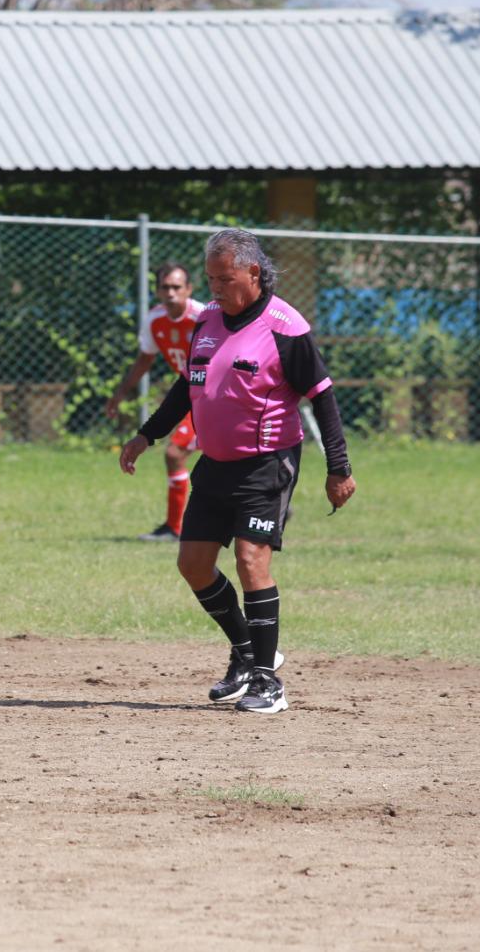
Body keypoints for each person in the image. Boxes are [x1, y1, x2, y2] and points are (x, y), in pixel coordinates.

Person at [119, 228, 355, 715]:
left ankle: (269, 683)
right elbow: (187, 386)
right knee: (193, 565)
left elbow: (324, 398)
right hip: (216, 463)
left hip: (267, 463)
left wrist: (339, 468)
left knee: (252, 560)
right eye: (210, 278)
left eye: (224, 278)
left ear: (253, 272)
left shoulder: (285, 327)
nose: (215, 288)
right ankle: (247, 652)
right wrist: (147, 434)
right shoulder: (206, 319)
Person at [105, 264, 206, 541]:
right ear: (157, 290)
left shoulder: (204, 317)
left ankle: (175, 529)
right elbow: (145, 359)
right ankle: (268, 502)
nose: (171, 293)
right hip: (191, 399)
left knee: (176, 454)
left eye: (177, 287)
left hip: (214, 397)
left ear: (189, 289)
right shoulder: (154, 320)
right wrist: (121, 392)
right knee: (208, 458)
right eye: (165, 287)